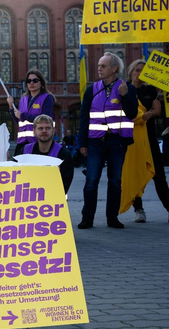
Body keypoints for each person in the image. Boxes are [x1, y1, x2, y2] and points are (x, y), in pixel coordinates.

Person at [77, 52, 138, 229]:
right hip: (95, 142)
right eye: (98, 65)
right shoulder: (91, 90)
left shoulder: (127, 88)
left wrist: (126, 96)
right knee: (91, 181)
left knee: (115, 182)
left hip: (117, 143)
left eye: (103, 66)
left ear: (114, 68)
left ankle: (112, 218)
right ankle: (87, 218)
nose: (99, 69)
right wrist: (82, 143)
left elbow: (132, 114)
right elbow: (83, 118)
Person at [124, 59, 169, 223]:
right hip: (131, 139)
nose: (139, 73)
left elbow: (157, 109)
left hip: (149, 138)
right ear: (130, 71)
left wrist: (146, 116)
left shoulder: (151, 89)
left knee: (159, 175)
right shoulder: (125, 89)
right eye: (136, 70)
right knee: (136, 174)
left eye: (143, 70)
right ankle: (139, 209)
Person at [23, 114, 74, 194]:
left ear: (53, 131)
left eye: (47, 128)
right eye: (40, 128)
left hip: (53, 199)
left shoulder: (64, 154)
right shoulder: (24, 151)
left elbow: (65, 184)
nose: (44, 131)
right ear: (34, 131)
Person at [7, 69, 54, 154]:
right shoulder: (23, 99)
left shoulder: (47, 98)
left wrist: (23, 115)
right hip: (22, 143)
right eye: (29, 81)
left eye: (35, 80)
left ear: (41, 83)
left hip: (38, 142)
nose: (31, 83)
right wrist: (11, 107)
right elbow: (19, 121)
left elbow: (44, 120)